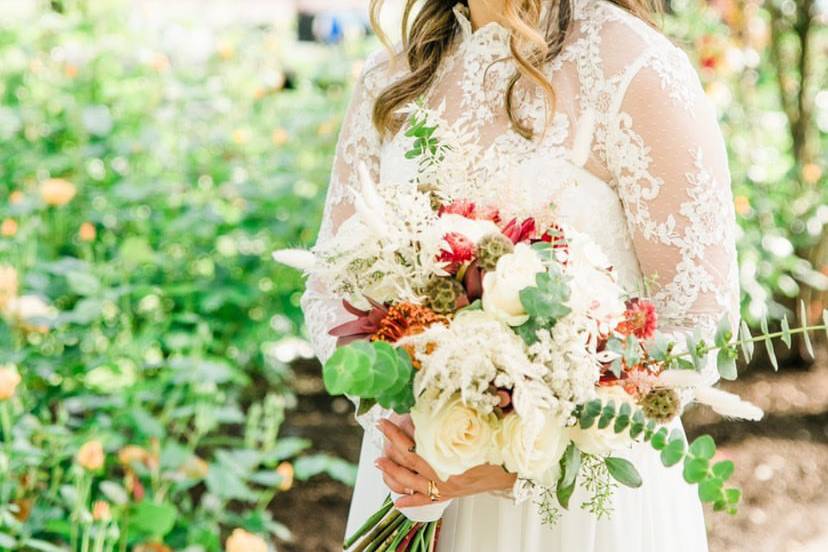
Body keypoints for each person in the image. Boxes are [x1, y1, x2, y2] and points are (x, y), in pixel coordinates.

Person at [301, 0, 739, 549]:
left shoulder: (635, 69)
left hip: (579, 507)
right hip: (414, 480)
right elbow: (330, 283)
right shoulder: (391, 78)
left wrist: (528, 450)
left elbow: (700, 321)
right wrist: (408, 419)